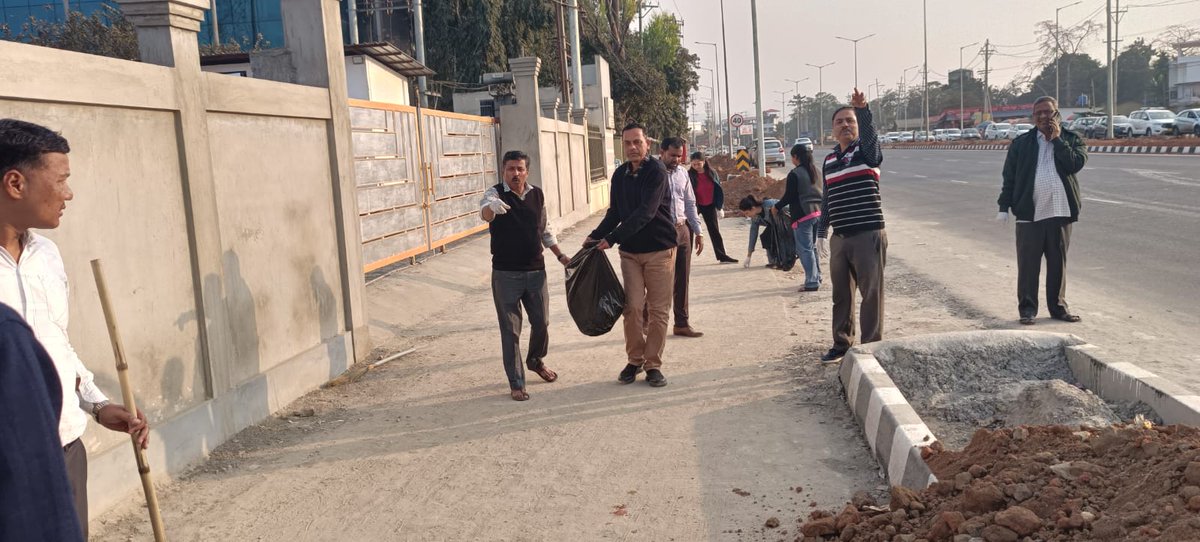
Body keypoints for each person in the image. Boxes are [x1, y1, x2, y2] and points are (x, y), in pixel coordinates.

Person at [0, 118, 149, 537]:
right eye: (61, 180)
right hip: (10, 463)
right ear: (15, 183)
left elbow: (56, 343)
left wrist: (97, 405)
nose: (69, 193)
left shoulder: (46, 255)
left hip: (65, 452)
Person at [585, 123, 677, 388]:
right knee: (633, 308)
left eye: (637, 142)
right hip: (631, 254)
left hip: (660, 251)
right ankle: (634, 360)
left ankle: (653, 365)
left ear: (647, 143)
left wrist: (611, 239)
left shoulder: (656, 171)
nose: (633, 147)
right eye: (627, 143)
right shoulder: (620, 174)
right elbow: (615, 212)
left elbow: (645, 213)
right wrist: (595, 235)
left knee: (658, 311)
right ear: (622, 145)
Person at [480, 150, 571, 401]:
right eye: (510, 169)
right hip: (505, 274)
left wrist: (560, 255)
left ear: (527, 171)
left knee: (542, 322)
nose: (515, 173)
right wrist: (492, 209)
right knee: (510, 330)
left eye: (520, 169)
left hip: (535, 272)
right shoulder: (494, 193)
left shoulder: (537, 194)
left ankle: (535, 360)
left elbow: (545, 228)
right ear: (503, 170)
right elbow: (484, 212)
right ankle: (516, 382)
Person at [996, 96, 1087, 325]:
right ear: (1033, 117)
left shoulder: (1071, 139)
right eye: (1039, 113)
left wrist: (1056, 140)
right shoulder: (1021, 144)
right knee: (1028, 266)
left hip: (1060, 213)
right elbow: (1010, 177)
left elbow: (1074, 164)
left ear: (1057, 114)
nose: (1044, 117)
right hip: (1030, 213)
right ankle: (1027, 310)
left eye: (1048, 112)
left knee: (1058, 264)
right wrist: (1003, 206)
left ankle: (1058, 308)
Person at [0, 301, 86, 542]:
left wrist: (97, 404)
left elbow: (61, 342)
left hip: (68, 442)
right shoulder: (6, 332)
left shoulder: (50, 262)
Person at [819, 89, 886, 363]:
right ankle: (842, 343)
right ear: (832, 130)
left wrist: (863, 111)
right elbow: (827, 198)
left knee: (871, 294)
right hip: (841, 238)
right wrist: (822, 233)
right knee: (841, 295)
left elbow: (870, 139)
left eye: (850, 121)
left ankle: (871, 348)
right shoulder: (829, 160)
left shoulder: (867, 152)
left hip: (868, 234)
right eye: (840, 122)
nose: (845, 125)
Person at [659, 138, 704, 338]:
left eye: (680, 155)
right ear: (662, 152)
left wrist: (698, 231)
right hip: (661, 232)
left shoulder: (683, 174)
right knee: (659, 280)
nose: (677, 159)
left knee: (682, 279)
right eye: (673, 155)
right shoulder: (653, 173)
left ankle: (682, 323)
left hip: (683, 229)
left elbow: (690, 203)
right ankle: (647, 322)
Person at [773, 143, 824, 291]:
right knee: (812, 247)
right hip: (819, 213)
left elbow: (789, 196)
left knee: (805, 249)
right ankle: (817, 276)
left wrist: (776, 207)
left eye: (792, 157)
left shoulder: (795, 174)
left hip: (803, 215)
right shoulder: (818, 171)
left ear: (795, 157)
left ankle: (812, 282)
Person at [688, 152, 738, 264]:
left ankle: (722, 256)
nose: (696, 166)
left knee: (714, 231)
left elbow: (718, 190)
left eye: (698, 164)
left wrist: (720, 207)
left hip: (709, 205)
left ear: (704, 162)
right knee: (689, 231)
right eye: (694, 164)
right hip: (694, 205)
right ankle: (684, 258)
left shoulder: (712, 173)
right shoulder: (689, 175)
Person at [738, 195, 781, 269]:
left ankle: (782, 260)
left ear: (753, 208)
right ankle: (773, 262)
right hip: (774, 226)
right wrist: (749, 256)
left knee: (772, 236)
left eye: (747, 213)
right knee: (766, 237)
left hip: (786, 224)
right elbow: (753, 234)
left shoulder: (769, 205)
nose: (746, 216)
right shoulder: (756, 217)